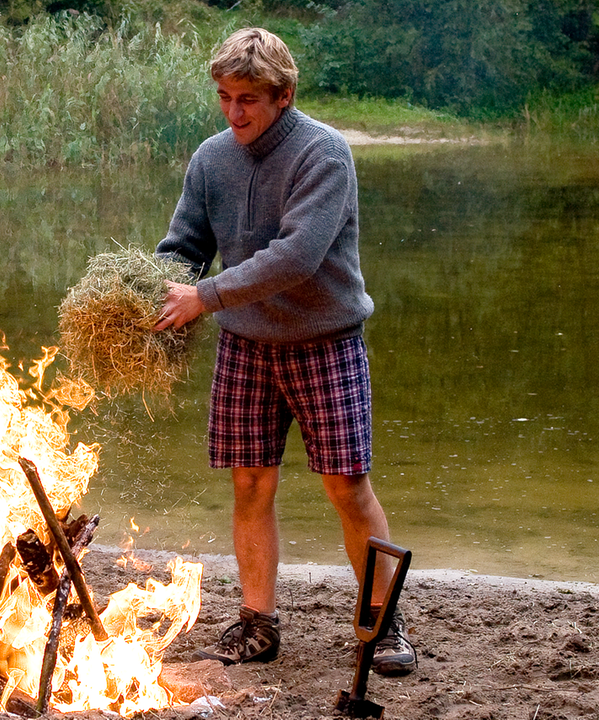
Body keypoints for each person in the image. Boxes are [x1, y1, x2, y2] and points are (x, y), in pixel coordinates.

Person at [152, 27, 415, 676]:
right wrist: (146, 292)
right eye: (224, 97)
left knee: (348, 488)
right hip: (245, 346)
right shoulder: (211, 159)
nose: (234, 112)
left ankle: (384, 623)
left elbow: (297, 257)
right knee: (249, 485)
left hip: (324, 343)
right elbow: (184, 245)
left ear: (284, 95)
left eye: (248, 99)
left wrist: (203, 296)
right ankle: (257, 624)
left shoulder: (323, 154)